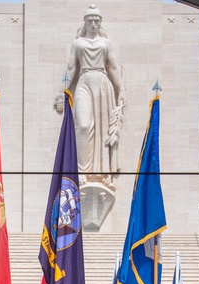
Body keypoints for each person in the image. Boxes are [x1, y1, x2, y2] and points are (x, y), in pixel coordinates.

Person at [57, 4, 126, 186]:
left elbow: (113, 68)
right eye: (90, 20)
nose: (93, 24)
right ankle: (82, 170)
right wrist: (61, 92)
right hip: (84, 82)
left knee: (103, 130)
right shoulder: (78, 43)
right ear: (85, 22)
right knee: (83, 125)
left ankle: (102, 173)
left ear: (100, 22)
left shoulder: (106, 43)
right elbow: (71, 68)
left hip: (103, 85)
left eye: (96, 21)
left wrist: (122, 89)